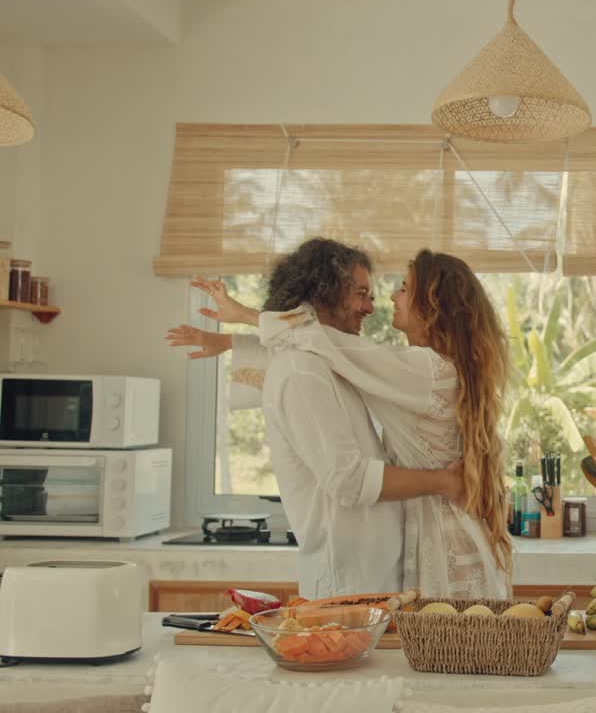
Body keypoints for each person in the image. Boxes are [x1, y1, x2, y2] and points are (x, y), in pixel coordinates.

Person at [170, 246, 512, 599]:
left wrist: (241, 317)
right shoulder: (310, 368)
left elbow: (327, 345)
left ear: (434, 305)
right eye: (362, 293)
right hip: (371, 566)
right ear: (326, 293)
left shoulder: (425, 369)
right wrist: (228, 339)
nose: (379, 303)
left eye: (404, 289)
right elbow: (313, 350)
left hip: (439, 539)